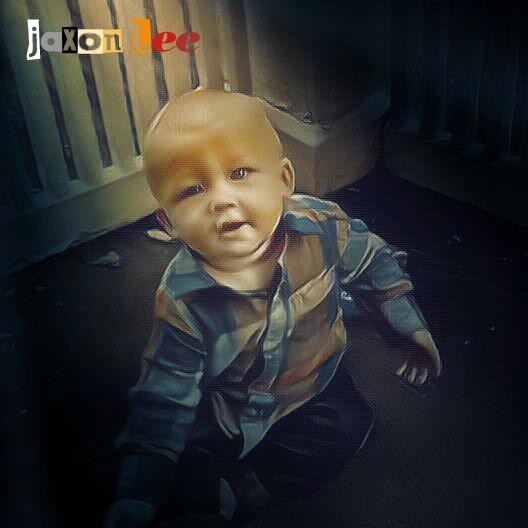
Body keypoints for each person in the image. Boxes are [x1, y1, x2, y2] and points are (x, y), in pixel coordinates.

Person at [103, 88, 442, 527]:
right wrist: (139, 493)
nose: (221, 199)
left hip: (308, 382)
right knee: (177, 448)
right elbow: (164, 397)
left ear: (283, 179)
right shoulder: (183, 300)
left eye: (239, 172)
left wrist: (406, 327)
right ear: (169, 222)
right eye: (192, 190)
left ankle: (255, 486)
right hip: (222, 403)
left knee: (347, 427)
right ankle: (203, 495)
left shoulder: (323, 227)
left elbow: (373, 264)